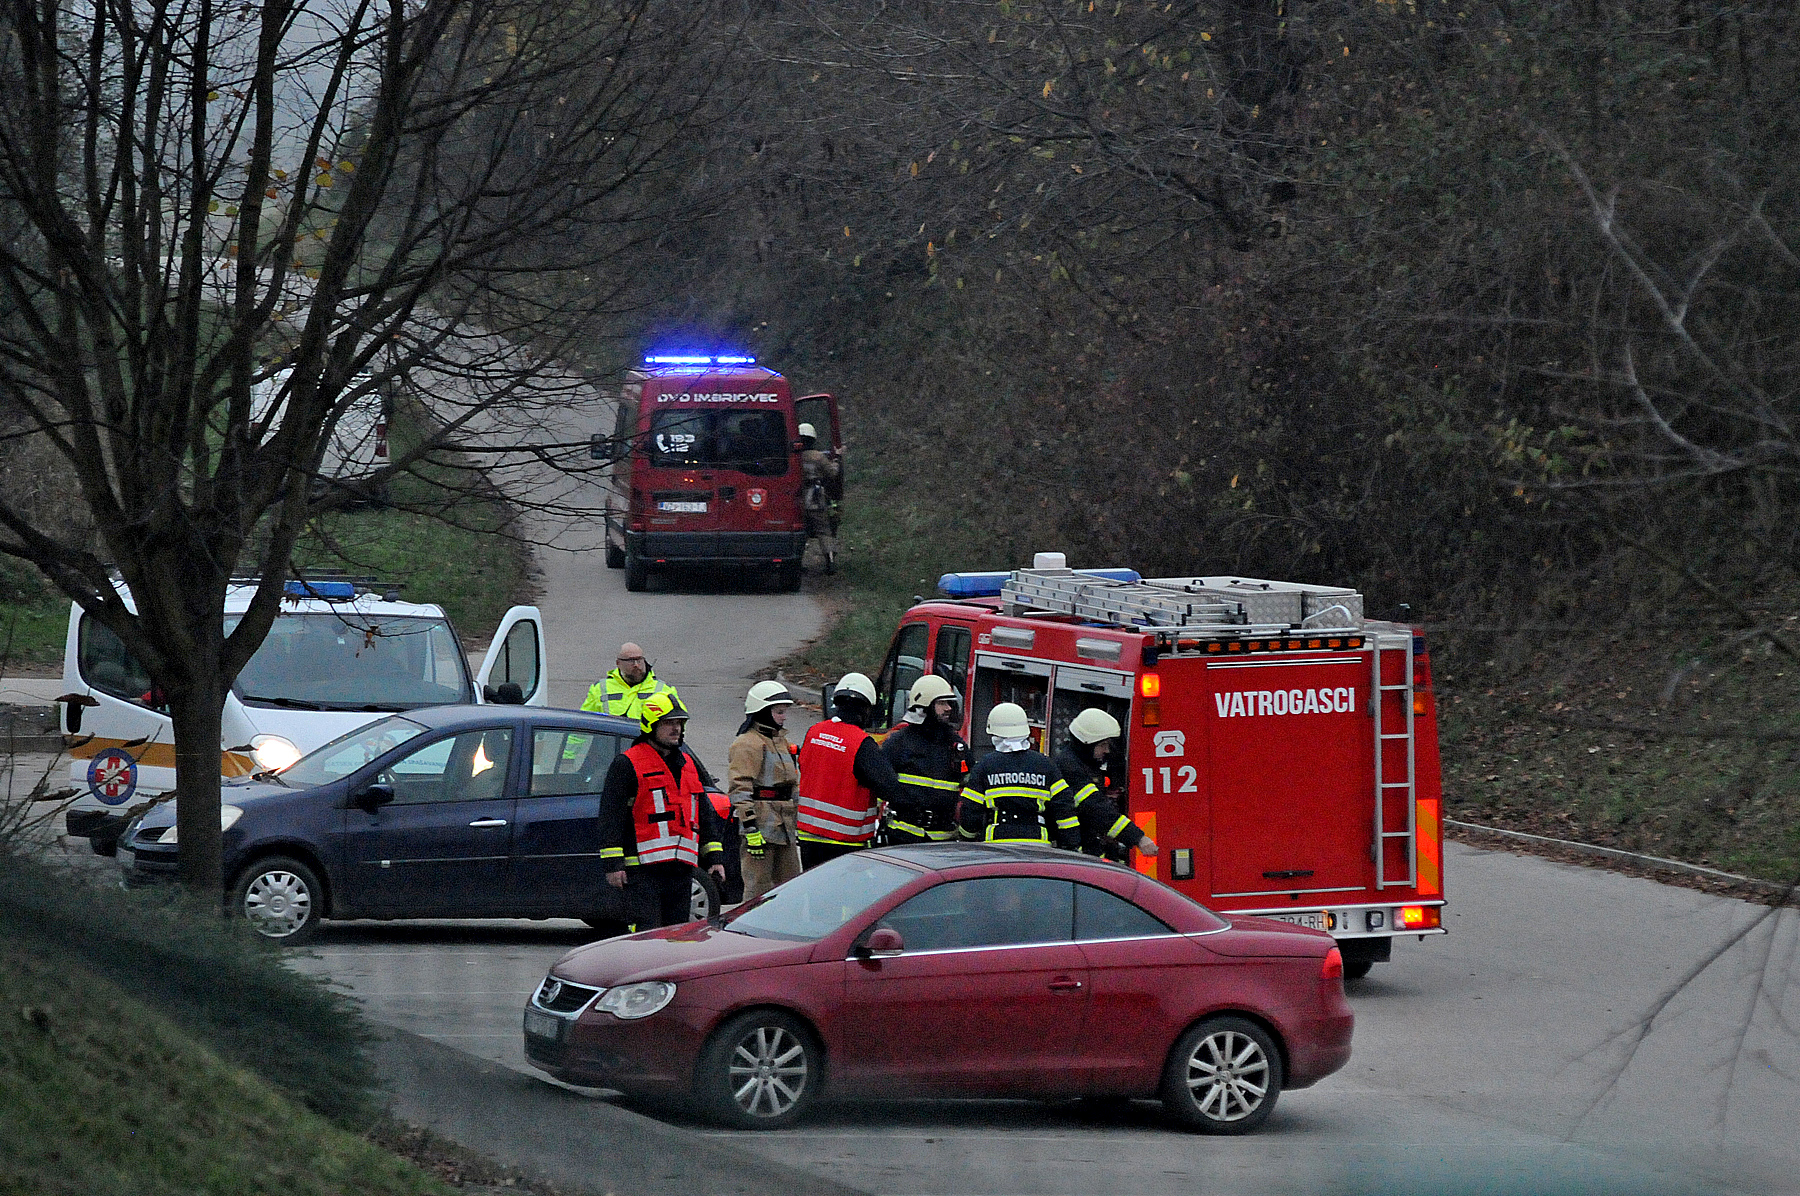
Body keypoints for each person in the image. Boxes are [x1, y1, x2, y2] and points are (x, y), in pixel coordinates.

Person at [596, 692, 728, 930]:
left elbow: (703, 816)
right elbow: (611, 817)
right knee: (646, 935)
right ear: (651, 726)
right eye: (668, 723)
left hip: (681, 870)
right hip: (642, 871)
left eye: (679, 723)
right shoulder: (627, 764)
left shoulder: (688, 765)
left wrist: (715, 859)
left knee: (676, 936)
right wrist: (613, 864)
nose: (676, 728)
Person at [796, 672, 907, 870]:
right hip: (844, 841)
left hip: (808, 836)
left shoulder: (814, 732)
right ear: (866, 709)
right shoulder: (861, 743)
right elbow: (890, 788)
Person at [956, 702, 1081, 848]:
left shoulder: (985, 766)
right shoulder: (1046, 765)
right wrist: (1071, 845)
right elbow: (1064, 808)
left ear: (995, 733)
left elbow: (971, 811)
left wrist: (966, 837)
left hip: (996, 846)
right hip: (1038, 846)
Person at [729, 680, 802, 901]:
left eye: (784, 711)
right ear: (762, 711)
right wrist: (750, 828)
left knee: (791, 888)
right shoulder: (747, 743)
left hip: (785, 828)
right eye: (779, 712)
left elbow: (792, 785)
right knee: (758, 891)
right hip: (760, 829)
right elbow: (740, 787)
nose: (784, 717)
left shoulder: (781, 742)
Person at [1056, 708, 1158, 861]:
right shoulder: (1069, 767)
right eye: (1103, 745)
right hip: (1076, 852)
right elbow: (1096, 808)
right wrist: (1138, 838)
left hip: (1086, 847)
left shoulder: (1082, 763)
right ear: (1086, 744)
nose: (1107, 750)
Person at [879, 675, 970, 845]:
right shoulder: (898, 743)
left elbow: (971, 786)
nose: (948, 708)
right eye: (941, 703)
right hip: (903, 837)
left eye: (949, 703)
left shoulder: (956, 745)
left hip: (944, 841)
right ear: (924, 706)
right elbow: (878, 786)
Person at [582, 642, 678, 721]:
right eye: (631, 661)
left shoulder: (663, 689)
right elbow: (585, 721)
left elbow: (677, 722)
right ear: (618, 663)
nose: (636, 665)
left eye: (639, 660)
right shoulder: (600, 688)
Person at [797, 422, 841, 574]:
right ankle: (830, 561)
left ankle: (796, 562)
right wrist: (837, 459)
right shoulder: (818, 457)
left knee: (799, 531)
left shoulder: (793, 456)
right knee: (823, 531)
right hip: (816, 499)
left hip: (797, 499)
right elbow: (833, 473)